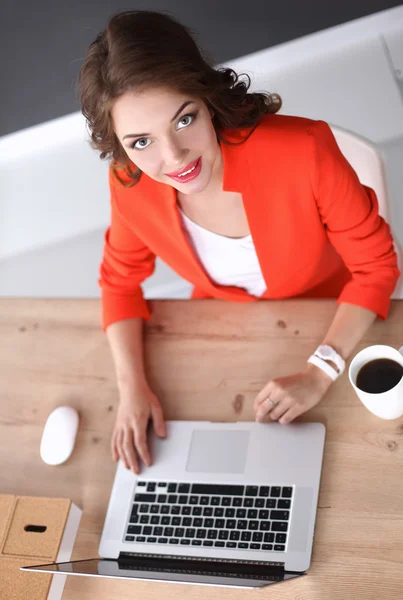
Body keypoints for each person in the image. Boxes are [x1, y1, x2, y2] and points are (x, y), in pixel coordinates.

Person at [78, 10, 399, 475]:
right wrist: (131, 390)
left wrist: (320, 371)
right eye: (141, 141)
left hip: (331, 315)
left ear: (206, 99)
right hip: (224, 326)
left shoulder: (304, 149)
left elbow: (376, 268)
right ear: (120, 146)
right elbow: (119, 284)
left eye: (184, 119)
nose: (174, 158)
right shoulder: (129, 182)